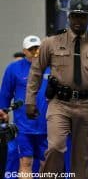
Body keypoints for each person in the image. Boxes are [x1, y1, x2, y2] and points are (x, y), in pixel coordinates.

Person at [25, 0, 88, 179]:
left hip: (86, 107)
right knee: (56, 147)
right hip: (59, 104)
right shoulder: (51, 43)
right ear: (68, 17)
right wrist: (30, 100)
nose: (78, 20)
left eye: (82, 16)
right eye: (75, 15)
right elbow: (36, 71)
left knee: (82, 159)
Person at [0, 35, 48, 178]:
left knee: (46, 165)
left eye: (37, 48)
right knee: (25, 163)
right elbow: (5, 94)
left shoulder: (51, 67)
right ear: (24, 51)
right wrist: (3, 112)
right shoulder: (13, 69)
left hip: (47, 125)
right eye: (30, 49)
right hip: (24, 127)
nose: (34, 52)